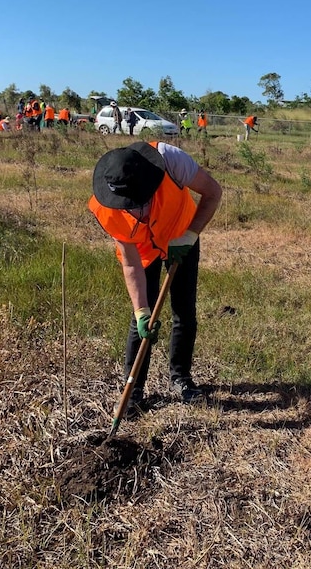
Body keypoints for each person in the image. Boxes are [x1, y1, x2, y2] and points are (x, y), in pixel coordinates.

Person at [88, 141, 223, 415]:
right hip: (142, 250)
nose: (138, 212)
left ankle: (181, 378)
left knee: (183, 310)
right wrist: (141, 311)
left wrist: (190, 235)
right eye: (129, 207)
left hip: (182, 233)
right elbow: (129, 262)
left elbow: (213, 192)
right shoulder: (105, 207)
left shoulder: (172, 161)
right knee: (143, 315)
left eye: (141, 203)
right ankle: (134, 390)